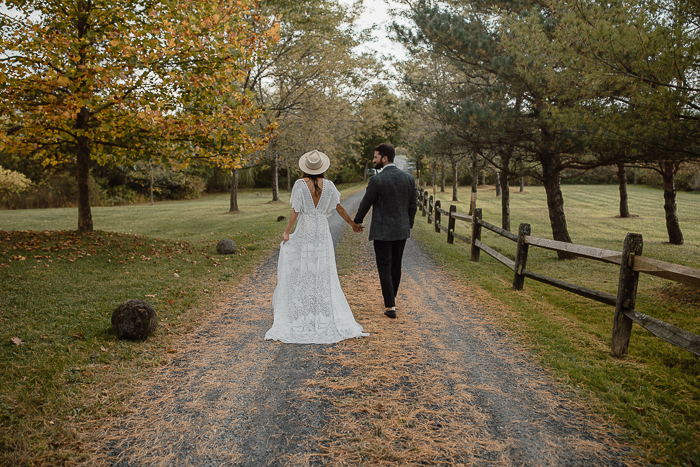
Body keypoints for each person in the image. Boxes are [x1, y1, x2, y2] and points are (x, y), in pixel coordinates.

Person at [265, 150, 368, 344]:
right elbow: (338, 207)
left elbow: (296, 210)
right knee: (323, 268)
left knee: (305, 267)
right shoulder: (329, 186)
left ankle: (305, 310)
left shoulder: (299, 184)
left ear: (305, 167)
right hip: (322, 230)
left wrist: (287, 231)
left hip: (306, 229)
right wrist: (352, 224)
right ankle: (319, 309)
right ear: (322, 168)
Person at [353, 143, 417, 319]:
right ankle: (391, 299)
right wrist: (407, 224)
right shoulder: (408, 179)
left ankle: (390, 306)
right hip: (401, 230)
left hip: (382, 231)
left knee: (384, 266)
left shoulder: (377, 180)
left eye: (375, 157)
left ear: (384, 158)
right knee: (396, 265)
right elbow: (413, 206)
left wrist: (357, 221)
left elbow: (365, 203)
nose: (373, 160)